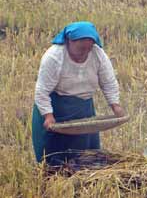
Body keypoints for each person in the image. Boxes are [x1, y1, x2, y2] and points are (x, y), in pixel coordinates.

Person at [32, 21, 125, 165]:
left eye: (88, 48)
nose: (85, 52)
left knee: (85, 157)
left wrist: (115, 105)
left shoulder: (98, 54)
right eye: (81, 48)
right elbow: (42, 91)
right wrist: (48, 116)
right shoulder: (54, 57)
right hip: (56, 107)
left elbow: (108, 82)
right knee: (54, 159)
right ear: (69, 42)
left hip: (83, 109)